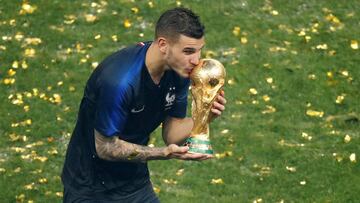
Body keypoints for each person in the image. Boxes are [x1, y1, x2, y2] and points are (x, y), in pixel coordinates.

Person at [61, 7, 226, 202]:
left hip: (134, 183)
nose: (196, 60)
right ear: (163, 45)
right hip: (89, 187)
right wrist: (162, 154)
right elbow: (105, 147)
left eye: (199, 50)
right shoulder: (120, 81)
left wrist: (204, 116)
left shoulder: (180, 70)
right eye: (188, 51)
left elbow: (171, 134)